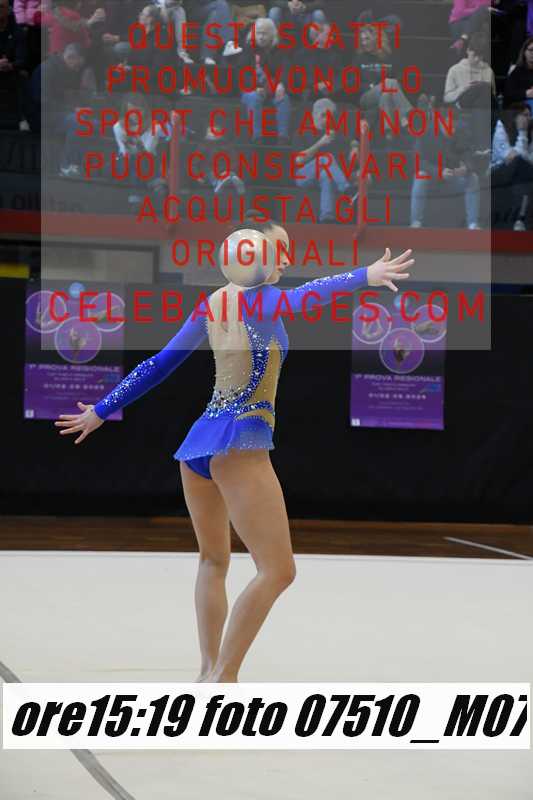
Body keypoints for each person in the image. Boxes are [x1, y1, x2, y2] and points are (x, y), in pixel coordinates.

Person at [54, 222, 414, 683]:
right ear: (254, 257)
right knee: (278, 570)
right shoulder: (263, 302)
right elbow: (311, 294)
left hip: (199, 445)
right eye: (278, 250)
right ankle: (223, 678)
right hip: (240, 443)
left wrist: (102, 410)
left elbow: (157, 364)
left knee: (213, 560)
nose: (286, 259)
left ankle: (208, 671)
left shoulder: (211, 304)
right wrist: (366, 274)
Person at [410, 104, 482, 229]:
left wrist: (466, 168)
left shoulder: (461, 131)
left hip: (454, 177)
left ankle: (473, 223)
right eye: (449, 126)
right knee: (420, 176)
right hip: (433, 178)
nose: (452, 130)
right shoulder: (426, 132)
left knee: (473, 178)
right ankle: (415, 222)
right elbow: (418, 161)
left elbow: (469, 154)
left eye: (454, 126)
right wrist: (438, 171)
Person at [293, 97, 358, 223]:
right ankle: (347, 190)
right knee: (326, 158)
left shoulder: (334, 135)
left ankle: (327, 216)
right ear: (315, 115)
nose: (326, 119)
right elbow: (299, 160)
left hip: (321, 177)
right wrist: (320, 143)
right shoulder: (301, 133)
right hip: (302, 176)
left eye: (329, 116)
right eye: (323, 115)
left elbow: (351, 141)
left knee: (326, 175)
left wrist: (355, 147)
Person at [28, 43, 85, 179]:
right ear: (70, 57)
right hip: (41, 114)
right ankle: (67, 166)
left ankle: (81, 164)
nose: (78, 69)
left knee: (90, 121)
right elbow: (42, 100)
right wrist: (72, 109)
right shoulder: (47, 70)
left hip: (58, 112)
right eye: (77, 66)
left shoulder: (66, 71)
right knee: (76, 122)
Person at [238, 16, 291, 143]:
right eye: (258, 33)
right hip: (251, 90)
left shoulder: (280, 50)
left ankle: (283, 136)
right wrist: (254, 87)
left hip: (272, 89)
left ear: (272, 35)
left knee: (284, 99)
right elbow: (242, 73)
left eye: (264, 34)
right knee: (254, 97)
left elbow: (286, 70)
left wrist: (281, 84)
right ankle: (257, 136)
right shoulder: (248, 49)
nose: (261, 37)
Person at [491, 105, 533, 230]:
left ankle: (520, 219)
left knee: (523, 173)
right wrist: (522, 132)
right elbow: (510, 157)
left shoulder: (531, 130)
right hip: (498, 171)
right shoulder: (501, 127)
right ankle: (520, 219)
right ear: (515, 116)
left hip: (522, 172)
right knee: (519, 163)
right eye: (524, 115)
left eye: (529, 115)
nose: (528, 118)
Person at [443, 31, 495, 107]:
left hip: (482, 105)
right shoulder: (454, 70)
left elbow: (493, 96)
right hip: (463, 106)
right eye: (474, 55)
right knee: (481, 88)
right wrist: (464, 88)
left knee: (485, 88)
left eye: (480, 56)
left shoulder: (488, 70)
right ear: (468, 50)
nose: (477, 59)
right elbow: (447, 98)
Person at [504, 36, 533, 112]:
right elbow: (508, 94)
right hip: (521, 108)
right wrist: (526, 93)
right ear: (524, 52)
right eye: (531, 50)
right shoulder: (516, 71)